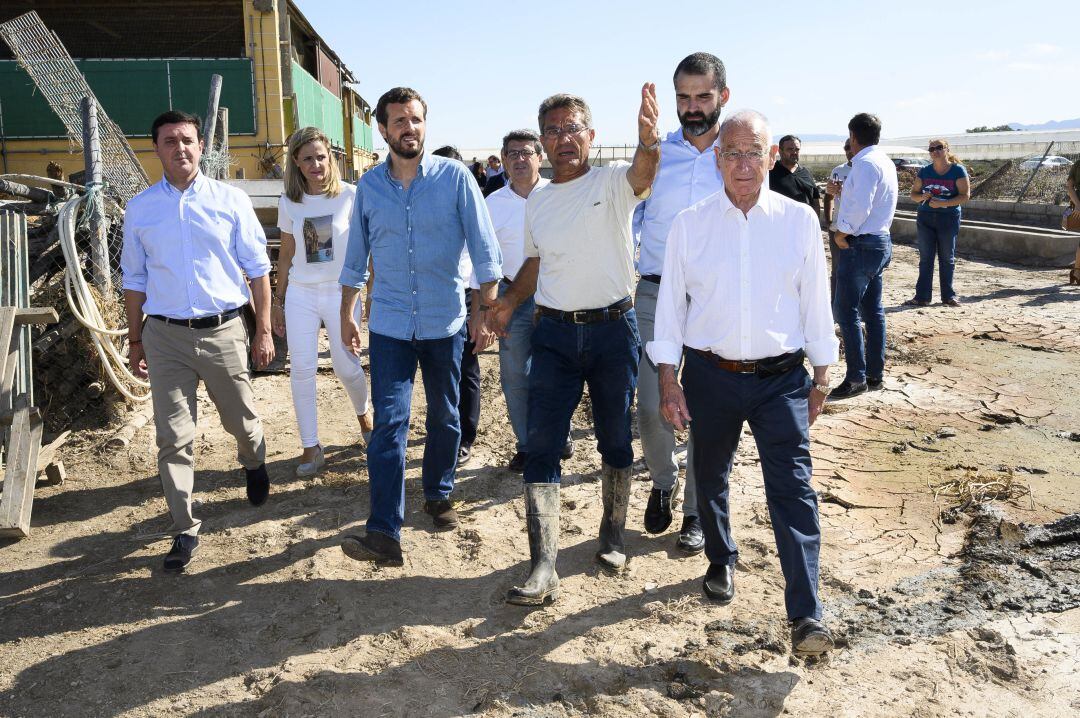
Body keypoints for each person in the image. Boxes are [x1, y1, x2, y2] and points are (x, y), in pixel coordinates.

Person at [649, 109, 838, 656]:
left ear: (771, 156)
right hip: (710, 374)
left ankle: (806, 614)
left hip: (782, 380)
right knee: (709, 475)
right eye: (731, 153)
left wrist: (822, 373)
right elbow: (670, 312)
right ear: (716, 160)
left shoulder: (798, 220)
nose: (743, 164)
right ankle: (719, 557)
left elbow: (815, 299)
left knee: (794, 490)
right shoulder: (690, 224)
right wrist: (670, 379)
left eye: (753, 152)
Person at [490, 86, 660, 605]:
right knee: (542, 444)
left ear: (590, 136)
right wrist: (509, 299)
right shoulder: (537, 200)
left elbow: (644, 174)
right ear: (542, 143)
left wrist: (648, 142)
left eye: (572, 129)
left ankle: (611, 535)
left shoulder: (612, 184)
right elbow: (537, 261)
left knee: (614, 438)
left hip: (613, 330)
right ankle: (543, 563)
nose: (563, 139)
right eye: (553, 131)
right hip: (555, 334)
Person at [337, 87, 502, 566]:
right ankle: (385, 532)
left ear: (425, 124)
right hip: (389, 324)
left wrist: (485, 311)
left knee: (446, 416)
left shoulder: (455, 179)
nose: (409, 129)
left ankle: (438, 493)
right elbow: (355, 258)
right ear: (384, 130)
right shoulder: (369, 187)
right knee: (389, 423)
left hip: (444, 321)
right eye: (399, 122)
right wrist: (348, 312)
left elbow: (485, 250)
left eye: (416, 120)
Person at [121, 110, 274, 573]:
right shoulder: (141, 209)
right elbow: (133, 278)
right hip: (164, 335)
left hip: (224, 330)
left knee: (241, 423)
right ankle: (184, 529)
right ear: (157, 149)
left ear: (201, 146)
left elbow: (258, 269)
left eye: (187, 139)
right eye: (169, 141)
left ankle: (254, 461)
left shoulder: (230, 201)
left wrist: (263, 329)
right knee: (173, 438)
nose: (180, 148)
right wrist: (135, 339)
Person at [633, 51, 730, 555]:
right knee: (651, 405)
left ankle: (695, 510)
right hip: (654, 291)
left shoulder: (735, 156)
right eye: (683, 98)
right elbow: (630, 210)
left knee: (708, 409)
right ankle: (662, 481)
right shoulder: (657, 154)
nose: (692, 108)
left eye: (702, 97)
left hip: (715, 298)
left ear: (723, 97)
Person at [272, 126, 373, 477]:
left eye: (321, 156)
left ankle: (365, 416)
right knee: (301, 369)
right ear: (296, 165)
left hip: (341, 293)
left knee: (347, 366)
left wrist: (369, 293)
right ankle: (311, 447)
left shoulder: (352, 196)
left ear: (331, 157)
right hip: (301, 293)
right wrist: (277, 300)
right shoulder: (289, 203)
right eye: (307, 159)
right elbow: (286, 254)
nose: (316, 164)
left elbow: (366, 249)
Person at [483, 129, 579, 472]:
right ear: (504, 160)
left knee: (558, 373)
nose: (519, 159)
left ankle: (560, 436)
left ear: (540, 157)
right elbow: (482, 256)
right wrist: (485, 306)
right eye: (512, 154)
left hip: (557, 297)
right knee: (514, 375)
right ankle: (526, 444)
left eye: (526, 153)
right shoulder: (492, 205)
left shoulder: (560, 196)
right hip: (513, 299)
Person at [830, 113, 898, 400]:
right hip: (880, 241)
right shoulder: (883, 161)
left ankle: (856, 377)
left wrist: (842, 233)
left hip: (862, 244)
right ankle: (874, 373)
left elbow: (861, 207)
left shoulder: (865, 164)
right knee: (873, 312)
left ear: (853, 136)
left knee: (846, 312)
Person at [431, 144, 482, 463]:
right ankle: (443, 427)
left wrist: (481, 310)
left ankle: (466, 435)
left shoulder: (472, 206)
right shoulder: (425, 204)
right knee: (438, 370)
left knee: (466, 368)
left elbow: (482, 259)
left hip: (463, 294)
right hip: (431, 297)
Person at [904, 139, 971, 307]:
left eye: (939, 147)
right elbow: (914, 194)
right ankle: (922, 297)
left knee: (947, 258)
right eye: (931, 148)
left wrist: (943, 203)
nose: (935, 151)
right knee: (926, 258)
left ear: (947, 149)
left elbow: (965, 195)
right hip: (926, 217)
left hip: (948, 218)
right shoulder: (925, 171)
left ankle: (948, 296)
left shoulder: (957, 170)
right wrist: (922, 197)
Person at [823, 140, 855, 297]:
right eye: (847, 148)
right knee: (837, 269)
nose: (850, 151)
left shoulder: (866, 170)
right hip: (837, 228)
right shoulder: (838, 170)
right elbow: (828, 197)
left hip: (858, 229)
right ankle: (835, 303)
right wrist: (828, 221)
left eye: (852, 147)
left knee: (858, 270)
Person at [769, 135, 821, 216]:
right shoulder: (770, 172)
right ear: (780, 151)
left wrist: (817, 223)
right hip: (780, 224)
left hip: (805, 224)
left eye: (797, 149)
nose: (794, 152)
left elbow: (815, 200)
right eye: (790, 149)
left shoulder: (805, 172)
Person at [1068, 160, 1080, 285]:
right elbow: (1069, 187)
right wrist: (1077, 205)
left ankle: (1076, 272)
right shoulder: (1078, 165)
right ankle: (1077, 272)